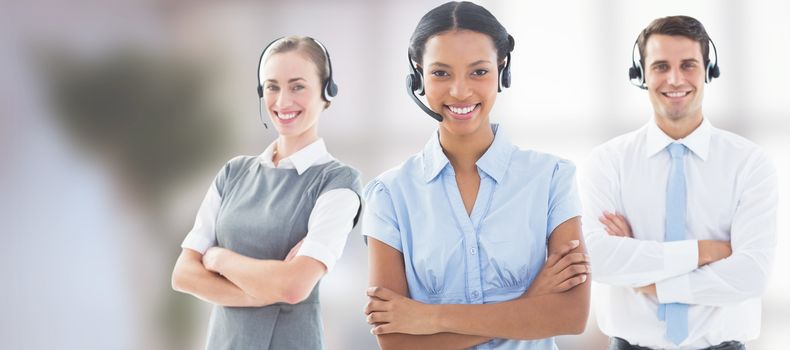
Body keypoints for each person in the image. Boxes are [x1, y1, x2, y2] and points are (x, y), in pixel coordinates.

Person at [362, 2, 590, 349]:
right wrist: (529, 306)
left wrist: (428, 317)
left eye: (478, 72)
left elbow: (570, 316)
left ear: (503, 71)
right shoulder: (389, 194)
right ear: (418, 77)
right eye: (441, 73)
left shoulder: (551, 177)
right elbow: (395, 342)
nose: (460, 91)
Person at [581, 16, 777, 350]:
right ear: (641, 74)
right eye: (660, 66)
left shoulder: (749, 164)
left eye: (688, 65)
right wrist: (704, 252)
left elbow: (750, 275)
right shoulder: (607, 162)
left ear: (708, 71)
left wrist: (648, 282)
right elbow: (598, 259)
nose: (675, 79)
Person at [171, 36, 362, 349]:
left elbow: (293, 287)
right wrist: (258, 291)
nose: (283, 101)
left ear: (327, 92)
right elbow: (183, 274)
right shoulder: (234, 173)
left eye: (297, 86)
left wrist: (218, 258)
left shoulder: (338, 183)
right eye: (272, 87)